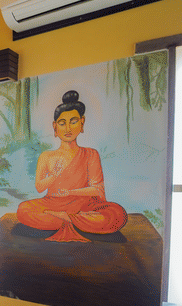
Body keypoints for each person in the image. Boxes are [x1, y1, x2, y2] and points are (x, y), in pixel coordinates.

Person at [15, 90, 127, 242]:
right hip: (53, 205)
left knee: (117, 214)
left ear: (82, 123)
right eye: (62, 123)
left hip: (84, 206)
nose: (68, 128)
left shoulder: (90, 154)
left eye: (73, 121)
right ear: (55, 127)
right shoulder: (47, 156)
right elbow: (40, 187)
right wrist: (54, 175)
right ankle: (74, 220)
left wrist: (70, 192)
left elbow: (97, 190)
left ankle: (66, 219)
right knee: (23, 210)